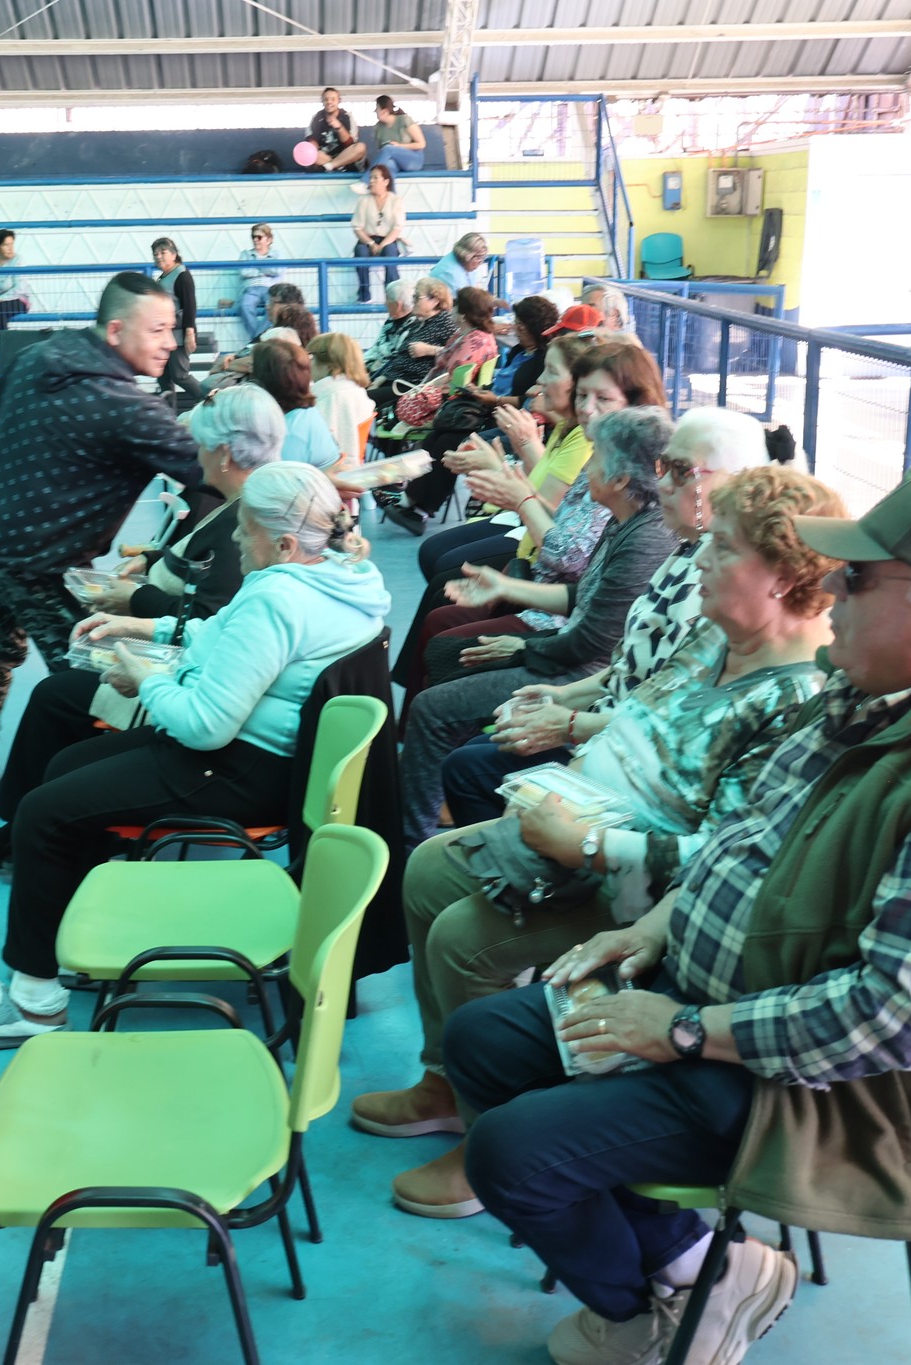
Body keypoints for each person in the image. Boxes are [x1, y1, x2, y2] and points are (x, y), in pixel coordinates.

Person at [442, 467, 911, 1365]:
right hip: (708, 1006)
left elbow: (888, 1019)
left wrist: (675, 1029)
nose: (834, 594)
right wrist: (656, 926)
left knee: (515, 1155)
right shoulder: (867, 698)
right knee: (484, 1042)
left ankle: (653, 1311)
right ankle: (701, 1262)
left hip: (805, 1085)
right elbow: (744, 836)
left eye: (859, 581)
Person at [355, 467, 846, 1220]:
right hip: (588, 829)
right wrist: (569, 749)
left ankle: (491, 1133)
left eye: (722, 549)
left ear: (781, 578)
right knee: (425, 868)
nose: (700, 560)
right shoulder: (716, 632)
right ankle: (445, 1083)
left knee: (461, 937)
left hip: (644, 893)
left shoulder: (795, 699)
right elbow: (630, 710)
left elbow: (727, 862)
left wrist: (587, 844)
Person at [0, 461, 391, 1050]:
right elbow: (225, 637)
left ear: (281, 541)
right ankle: (76, 935)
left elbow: (203, 726)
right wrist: (145, 631)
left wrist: (145, 677)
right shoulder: (337, 577)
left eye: (245, 528)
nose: (233, 537)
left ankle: (34, 1002)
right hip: (266, 757)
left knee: (44, 811)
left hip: (240, 767)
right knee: (65, 769)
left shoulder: (279, 598)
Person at [0, 383, 289, 872]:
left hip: (193, 676)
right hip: (199, 664)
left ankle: (35, 823)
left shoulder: (245, 523)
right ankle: (31, 820)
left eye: (201, 444)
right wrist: (152, 568)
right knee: (61, 691)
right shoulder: (236, 505)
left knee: (58, 695)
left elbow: (205, 615)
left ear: (223, 453)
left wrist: (135, 605)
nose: (193, 454)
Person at [438, 408, 777, 824]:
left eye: (681, 471)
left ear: (733, 482)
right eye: (662, 467)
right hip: (605, 711)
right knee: (465, 723)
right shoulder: (683, 546)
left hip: (626, 751)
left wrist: (568, 717)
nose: (663, 482)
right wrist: (562, 697)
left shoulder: (713, 578)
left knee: (466, 757)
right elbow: (629, 660)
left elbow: (662, 705)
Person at [0, 272, 202, 794]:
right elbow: (207, 467)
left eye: (172, 329)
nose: (171, 342)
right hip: (40, 555)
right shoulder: (123, 405)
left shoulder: (41, 356)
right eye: (157, 330)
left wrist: (15, 483)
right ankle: (71, 782)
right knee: (86, 663)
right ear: (116, 332)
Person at [401, 406, 679, 850]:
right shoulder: (624, 519)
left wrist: (519, 650)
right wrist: (506, 585)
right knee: (444, 655)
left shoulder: (647, 537)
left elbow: (591, 641)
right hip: (569, 652)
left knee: (434, 708)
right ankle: (435, 800)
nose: (587, 469)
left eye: (596, 459)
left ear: (623, 478)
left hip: (580, 670)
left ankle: (409, 842)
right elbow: (582, 598)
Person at [382, 293, 559, 534]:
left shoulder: (540, 361)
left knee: (451, 440)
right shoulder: (519, 351)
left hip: (509, 417)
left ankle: (420, 509)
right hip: (492, 408)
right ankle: (413, 501)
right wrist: (483, 392)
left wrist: (494, 398)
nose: (515, 328)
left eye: (520, 324)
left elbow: (527, 399)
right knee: (440, 433)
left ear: (531, 327)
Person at [365, 278, 471, 410]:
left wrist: (430, 350)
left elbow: (458, 352)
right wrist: (380, 379)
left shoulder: (445, 323)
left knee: (360, 399)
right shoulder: (417, 323)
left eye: (416, 297)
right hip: (394, 381)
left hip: (410, 387)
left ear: (434, 301)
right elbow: (399, 357)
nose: (412, 301)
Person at [250, 337, 341, 470]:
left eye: (253, 369)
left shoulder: (289, 435)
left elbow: (273, 484)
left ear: (264, 378)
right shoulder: (305, 414)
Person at [308, 331, 375, 469]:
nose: (309, 364)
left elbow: (319, 449)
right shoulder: (355, 391)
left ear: (331, 366)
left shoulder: (330, 396)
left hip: (332, 476)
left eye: (312, 358)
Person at [152, 236, 204, 411]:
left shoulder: (182, 275)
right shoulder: (162, 278)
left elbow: (190, 306)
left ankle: (210, 399)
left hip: (179, 334)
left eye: (163, 252)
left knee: (180, 375)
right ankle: (168, 415)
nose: (158, 256)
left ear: (174, 254)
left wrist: (190, 334)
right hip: (165, 335)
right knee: (163, 377)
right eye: (155, 254)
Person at [352, 165, 409, 302]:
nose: (371, 181)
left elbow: (397, 228)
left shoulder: (395, 200)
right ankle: (364, 295)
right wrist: (371, 243)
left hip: (388, 239)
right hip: (368, 240)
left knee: (390, 252)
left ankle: (393, 296)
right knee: (360, 252)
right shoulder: (363, 200)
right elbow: (357, 227)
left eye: (375, 178)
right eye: (370, 177)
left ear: (386, 181)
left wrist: (382, 244)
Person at [230, 223, 285, 343]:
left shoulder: (276, 254)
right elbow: (244, 271)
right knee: (245, 305)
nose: (255, 240)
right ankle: (259, 339)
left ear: (269, 240)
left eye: (259, 237)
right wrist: (266, 267)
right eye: (253, 237)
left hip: (270, 289)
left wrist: (256, 264)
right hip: (251, 288)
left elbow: (277, 270)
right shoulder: (245, 254)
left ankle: (255, 340)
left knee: (274, 308)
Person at [363, 95, 427, 182]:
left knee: (389, 148)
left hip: (413, 160)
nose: (375, 111)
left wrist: (399, 146)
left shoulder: (404, 120)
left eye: (377, 108)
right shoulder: (378, 127)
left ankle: (366, 181)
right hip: (394, 161)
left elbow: (421, 144)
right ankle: (390, 194)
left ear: (384, 111)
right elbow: (381, 152)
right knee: (389, 166)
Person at [0, 228, 32, 334]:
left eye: (12, 244)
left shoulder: (18, 260)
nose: (10, 248)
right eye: (6, 245)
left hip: (16, 299)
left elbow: (19, 288)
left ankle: (5, 346)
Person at [366, 278, 419, 375]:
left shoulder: (413, 325)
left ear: (398, 305)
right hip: (373, 370)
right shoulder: (391, 320)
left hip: (388, 376)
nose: (385, 303)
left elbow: (394, 360)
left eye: (387, 300)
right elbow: (375, 348)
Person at [307, 86, 365, 173]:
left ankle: (332, 166)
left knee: (361, 147)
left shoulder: (347, 116)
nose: (329, 102)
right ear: (322, 101)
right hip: (324, 158)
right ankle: (337, 166)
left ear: (339, 101)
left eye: (333, 99)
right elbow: (311, 142)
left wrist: (339, 127)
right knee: (308, 152)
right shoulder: (316, 118)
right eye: (326, 99)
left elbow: (350, 144)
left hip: (345, 157)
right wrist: (313, 146)